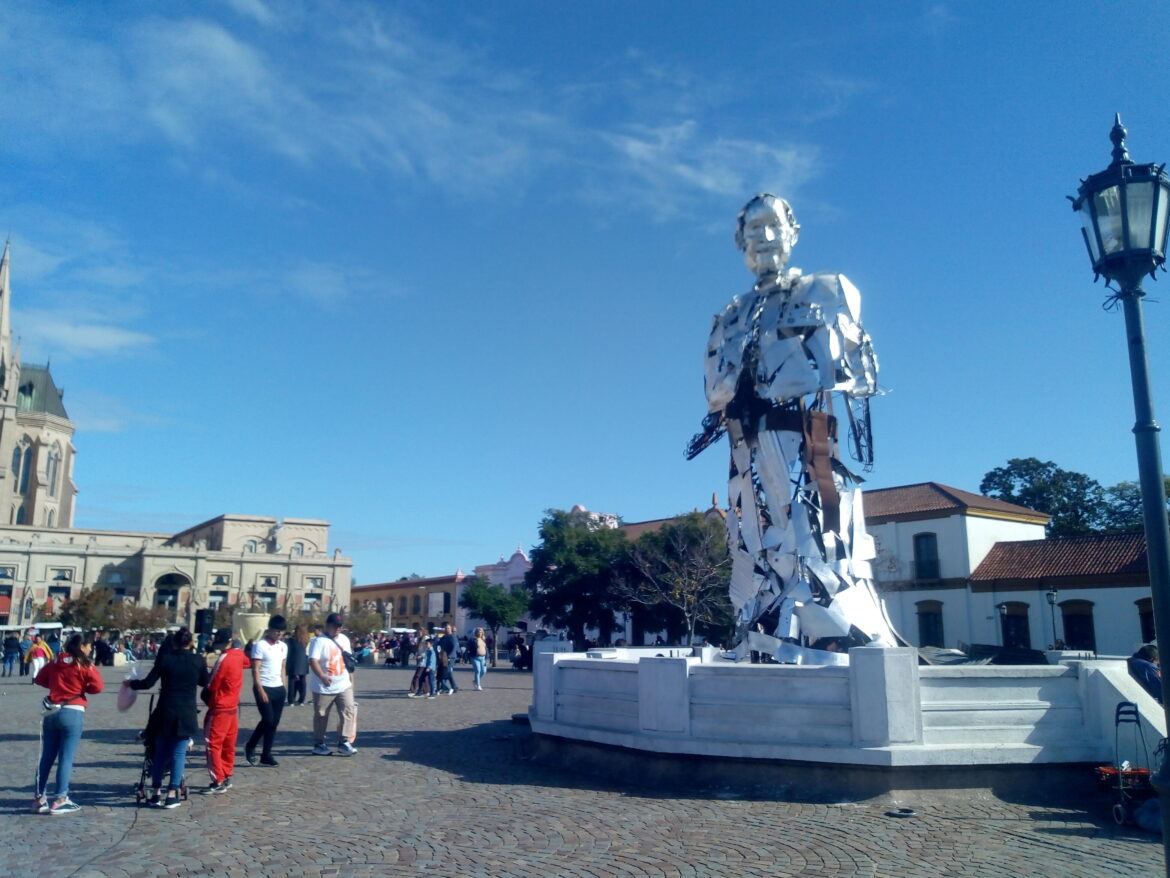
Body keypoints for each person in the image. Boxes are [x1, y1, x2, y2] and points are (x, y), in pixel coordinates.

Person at [688, 193, 896, 662]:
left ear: (792, 233)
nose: (763, 239)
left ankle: (833, 629)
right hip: (748, 453)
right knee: (756, 548)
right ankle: (763, 630)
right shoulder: (729, 317)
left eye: (772, 226)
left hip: (807, 444)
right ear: (740, 243)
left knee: (817, 540)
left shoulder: (827, 291)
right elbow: (715, 393)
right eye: (752, 231)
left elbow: (857, 373)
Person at [126, 627, 208, 809]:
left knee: (161, 752)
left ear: (174, 642)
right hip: (185, 711)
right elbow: (204, 682)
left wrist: (130, 683)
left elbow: (147, 683)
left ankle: (156, 793)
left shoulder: (165, 659)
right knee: (178, 754)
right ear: (191, 643)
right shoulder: (197, 660)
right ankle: (171, 794)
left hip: (165, 710)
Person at [32, 632, 104, 814]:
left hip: (52, 711)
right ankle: (60, 798)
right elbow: (98, 687)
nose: (90, 650)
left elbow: (39, 679)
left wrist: (56, 685)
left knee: (46, 757)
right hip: (73, 710)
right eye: (89, 646)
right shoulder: (84, 664)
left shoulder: (56, 661)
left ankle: (40, 798)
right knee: (66, 757)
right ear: (82, 646)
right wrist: (82, 687)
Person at [202, 628, 251, 793]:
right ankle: (226, 774)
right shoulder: (238, 654)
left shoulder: (224, 658)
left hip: (220, 706)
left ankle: (218, 780)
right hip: (232, 705)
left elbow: (212, 683)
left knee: (213, 744)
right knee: (229, 744)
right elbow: (247, 663)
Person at [308, 612, 357, 756]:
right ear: (327, 626)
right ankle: (319, 743)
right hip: (323, 687)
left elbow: (348, 660)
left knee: (348, 711)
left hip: (343, 684)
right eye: (335, 626)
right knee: (321, 715)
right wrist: (322, 676)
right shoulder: (319, 641)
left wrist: (351, 679)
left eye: (340, 626)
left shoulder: (344, 639)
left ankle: (344, 742)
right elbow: (313, 660)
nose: (338, 629)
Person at [245, 615, 288, 767]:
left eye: (282, 631)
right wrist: (260, 689)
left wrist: (284, 687)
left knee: (274, 723)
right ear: (270, 629)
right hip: (264, 687)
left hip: (278, 688)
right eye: (277, 630)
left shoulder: (283, 646)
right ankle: (251, 745)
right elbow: (255, 669)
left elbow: (283, 667)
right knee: (268, 720)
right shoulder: (260, 646)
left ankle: (266, 754)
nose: (279, 633)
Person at [286, 625, 310, 707]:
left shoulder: (290, 640)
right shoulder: (306, 641)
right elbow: (307, 653)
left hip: (292, 664)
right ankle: (301, 700)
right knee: (302, 683)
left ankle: (291, 700)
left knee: (292, 682)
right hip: (303, 664)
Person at [438, 624, 460, 693]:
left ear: (451, 629)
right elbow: (439, 645)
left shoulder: (453, 637)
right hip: (443, 657)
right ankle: (448, 686)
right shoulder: (443, 637)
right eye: (446, 628)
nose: (447, 629)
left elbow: (454, 647)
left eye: (448, 628)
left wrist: (449, 656)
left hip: (450, 657)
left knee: (447, 671)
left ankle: (450, 686)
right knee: (444, 671)